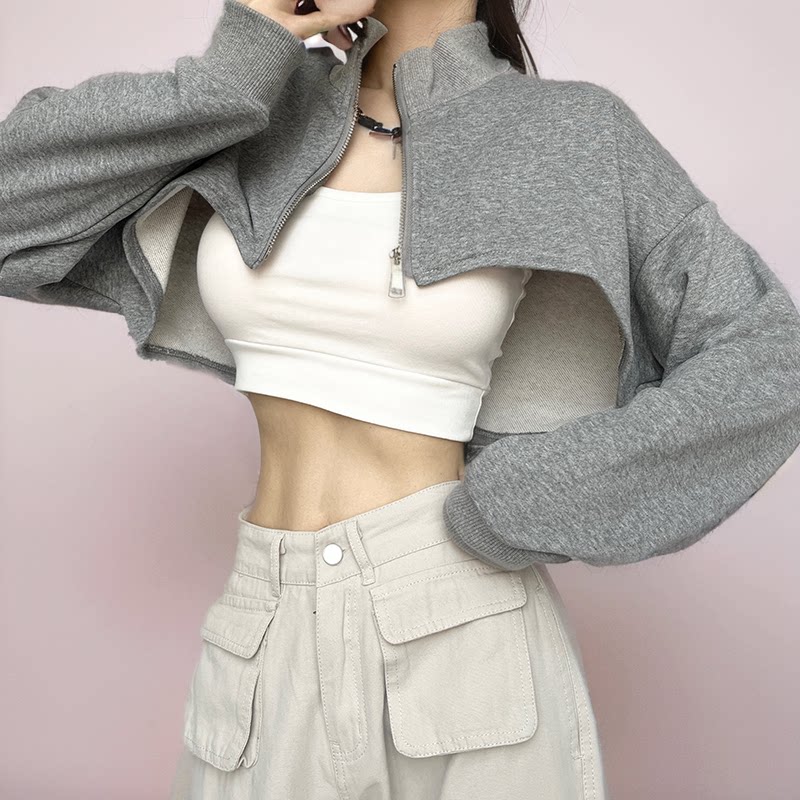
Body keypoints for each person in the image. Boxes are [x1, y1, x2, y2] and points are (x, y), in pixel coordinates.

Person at [2, 0, 798, 798]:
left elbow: (772, 356)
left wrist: (526, 499)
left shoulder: (568, 133)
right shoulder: (259, 108)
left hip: (459, 624)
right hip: (260, 623)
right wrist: (232, 71)